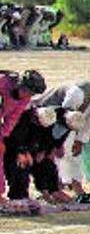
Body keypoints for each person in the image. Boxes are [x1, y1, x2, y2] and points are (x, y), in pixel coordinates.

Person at [0, 70, 45, 202]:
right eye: (26, 91)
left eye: (31, 94)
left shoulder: (25, 99)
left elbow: (12, 119)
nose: (26, 95)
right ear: (19, 84)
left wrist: (3, 136)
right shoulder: (2, 83)